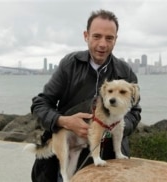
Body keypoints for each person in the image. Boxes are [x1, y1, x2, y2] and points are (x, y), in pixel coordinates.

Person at [31, 9, 142, 182]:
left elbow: (135, 112)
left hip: (109, 157)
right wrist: (64, 121)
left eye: (109, 38)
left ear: (116, 40)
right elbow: (40, 104)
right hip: (69, 152)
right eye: (97, 36)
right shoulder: (70, 64)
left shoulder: (125, 71)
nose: (103, 44)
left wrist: (114, 127)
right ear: (86, 36)